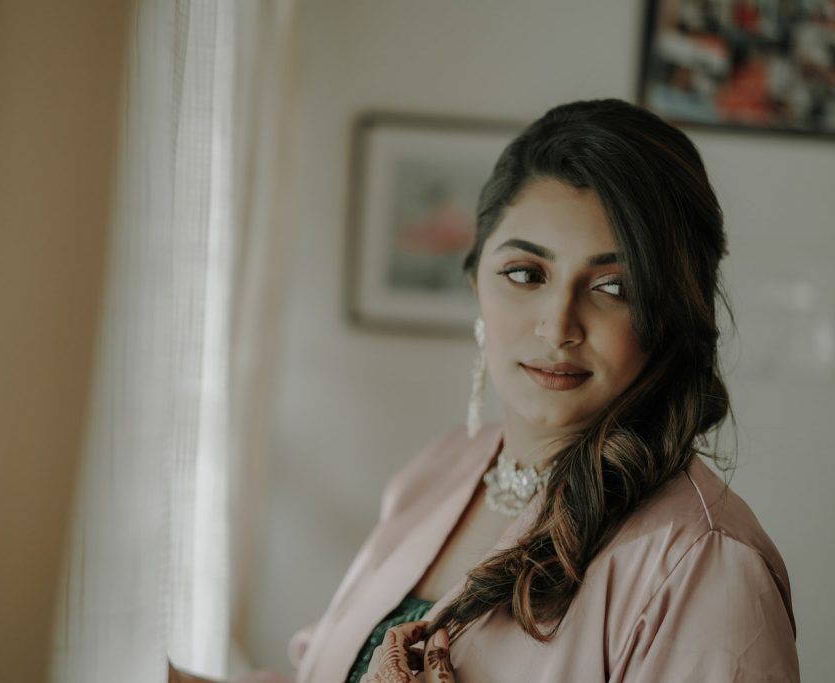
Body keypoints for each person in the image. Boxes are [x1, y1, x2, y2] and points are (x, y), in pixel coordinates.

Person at [172, 99, 799, 682]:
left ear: (670, 316)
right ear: (477, 282)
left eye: (614, 287)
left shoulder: (705, 566)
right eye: (526, 274)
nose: (558, 327)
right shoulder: (441, 470)